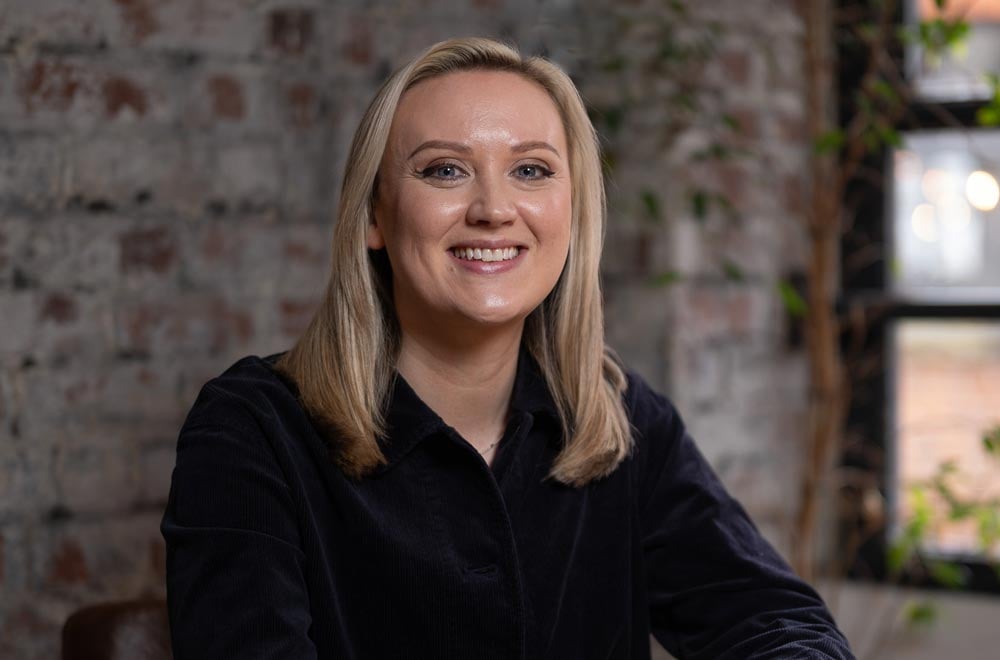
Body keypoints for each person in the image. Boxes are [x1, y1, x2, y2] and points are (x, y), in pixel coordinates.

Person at [161, 37, 855, 659]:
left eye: (531, 171)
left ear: (572, 212)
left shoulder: (620, 419)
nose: (494, 209)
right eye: (444, 170)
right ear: (374, 214)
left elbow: (777, 621)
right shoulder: (252, 432)